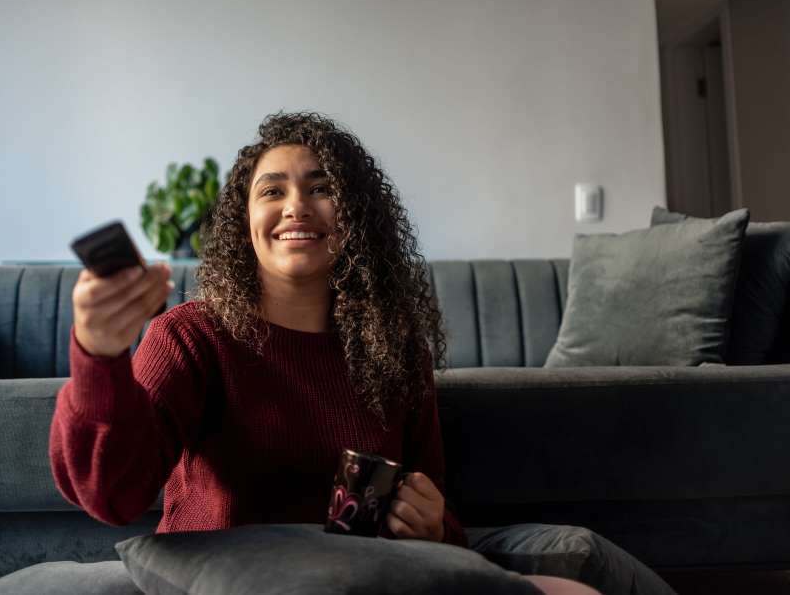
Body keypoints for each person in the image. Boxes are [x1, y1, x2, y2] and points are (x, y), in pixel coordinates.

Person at [48, 111, 603, 595]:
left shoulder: (398, 349)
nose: (296, 207)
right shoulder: (191, 338)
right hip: (219, 583)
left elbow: (437, 514)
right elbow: (110, 497)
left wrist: (435, 526)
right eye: (271, 191)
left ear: (355, 217)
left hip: (363, 581)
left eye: (320, 188)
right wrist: (98, 356)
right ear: (244, 223)